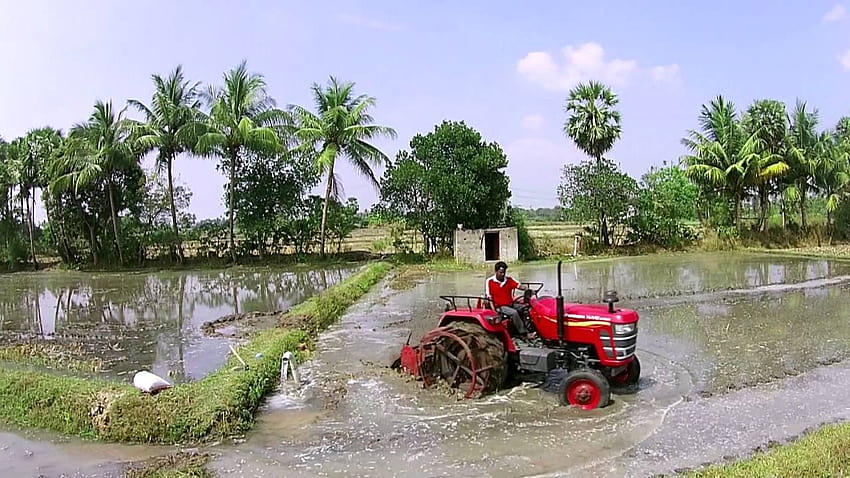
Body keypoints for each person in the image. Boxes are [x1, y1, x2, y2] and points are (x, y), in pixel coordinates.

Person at [485, 261, 533, 339]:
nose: (503, 274)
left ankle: (529, 328)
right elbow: (489, 297)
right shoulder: (490, 281)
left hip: (510, 304)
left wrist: (527, 289)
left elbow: (519, 286)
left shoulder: (509, 280)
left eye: (504, 272)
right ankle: (524, 333)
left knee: (527, 308)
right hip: (500, 306)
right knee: (514, 313)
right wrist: (494, 312)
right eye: (500, 272)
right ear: (496, 271)